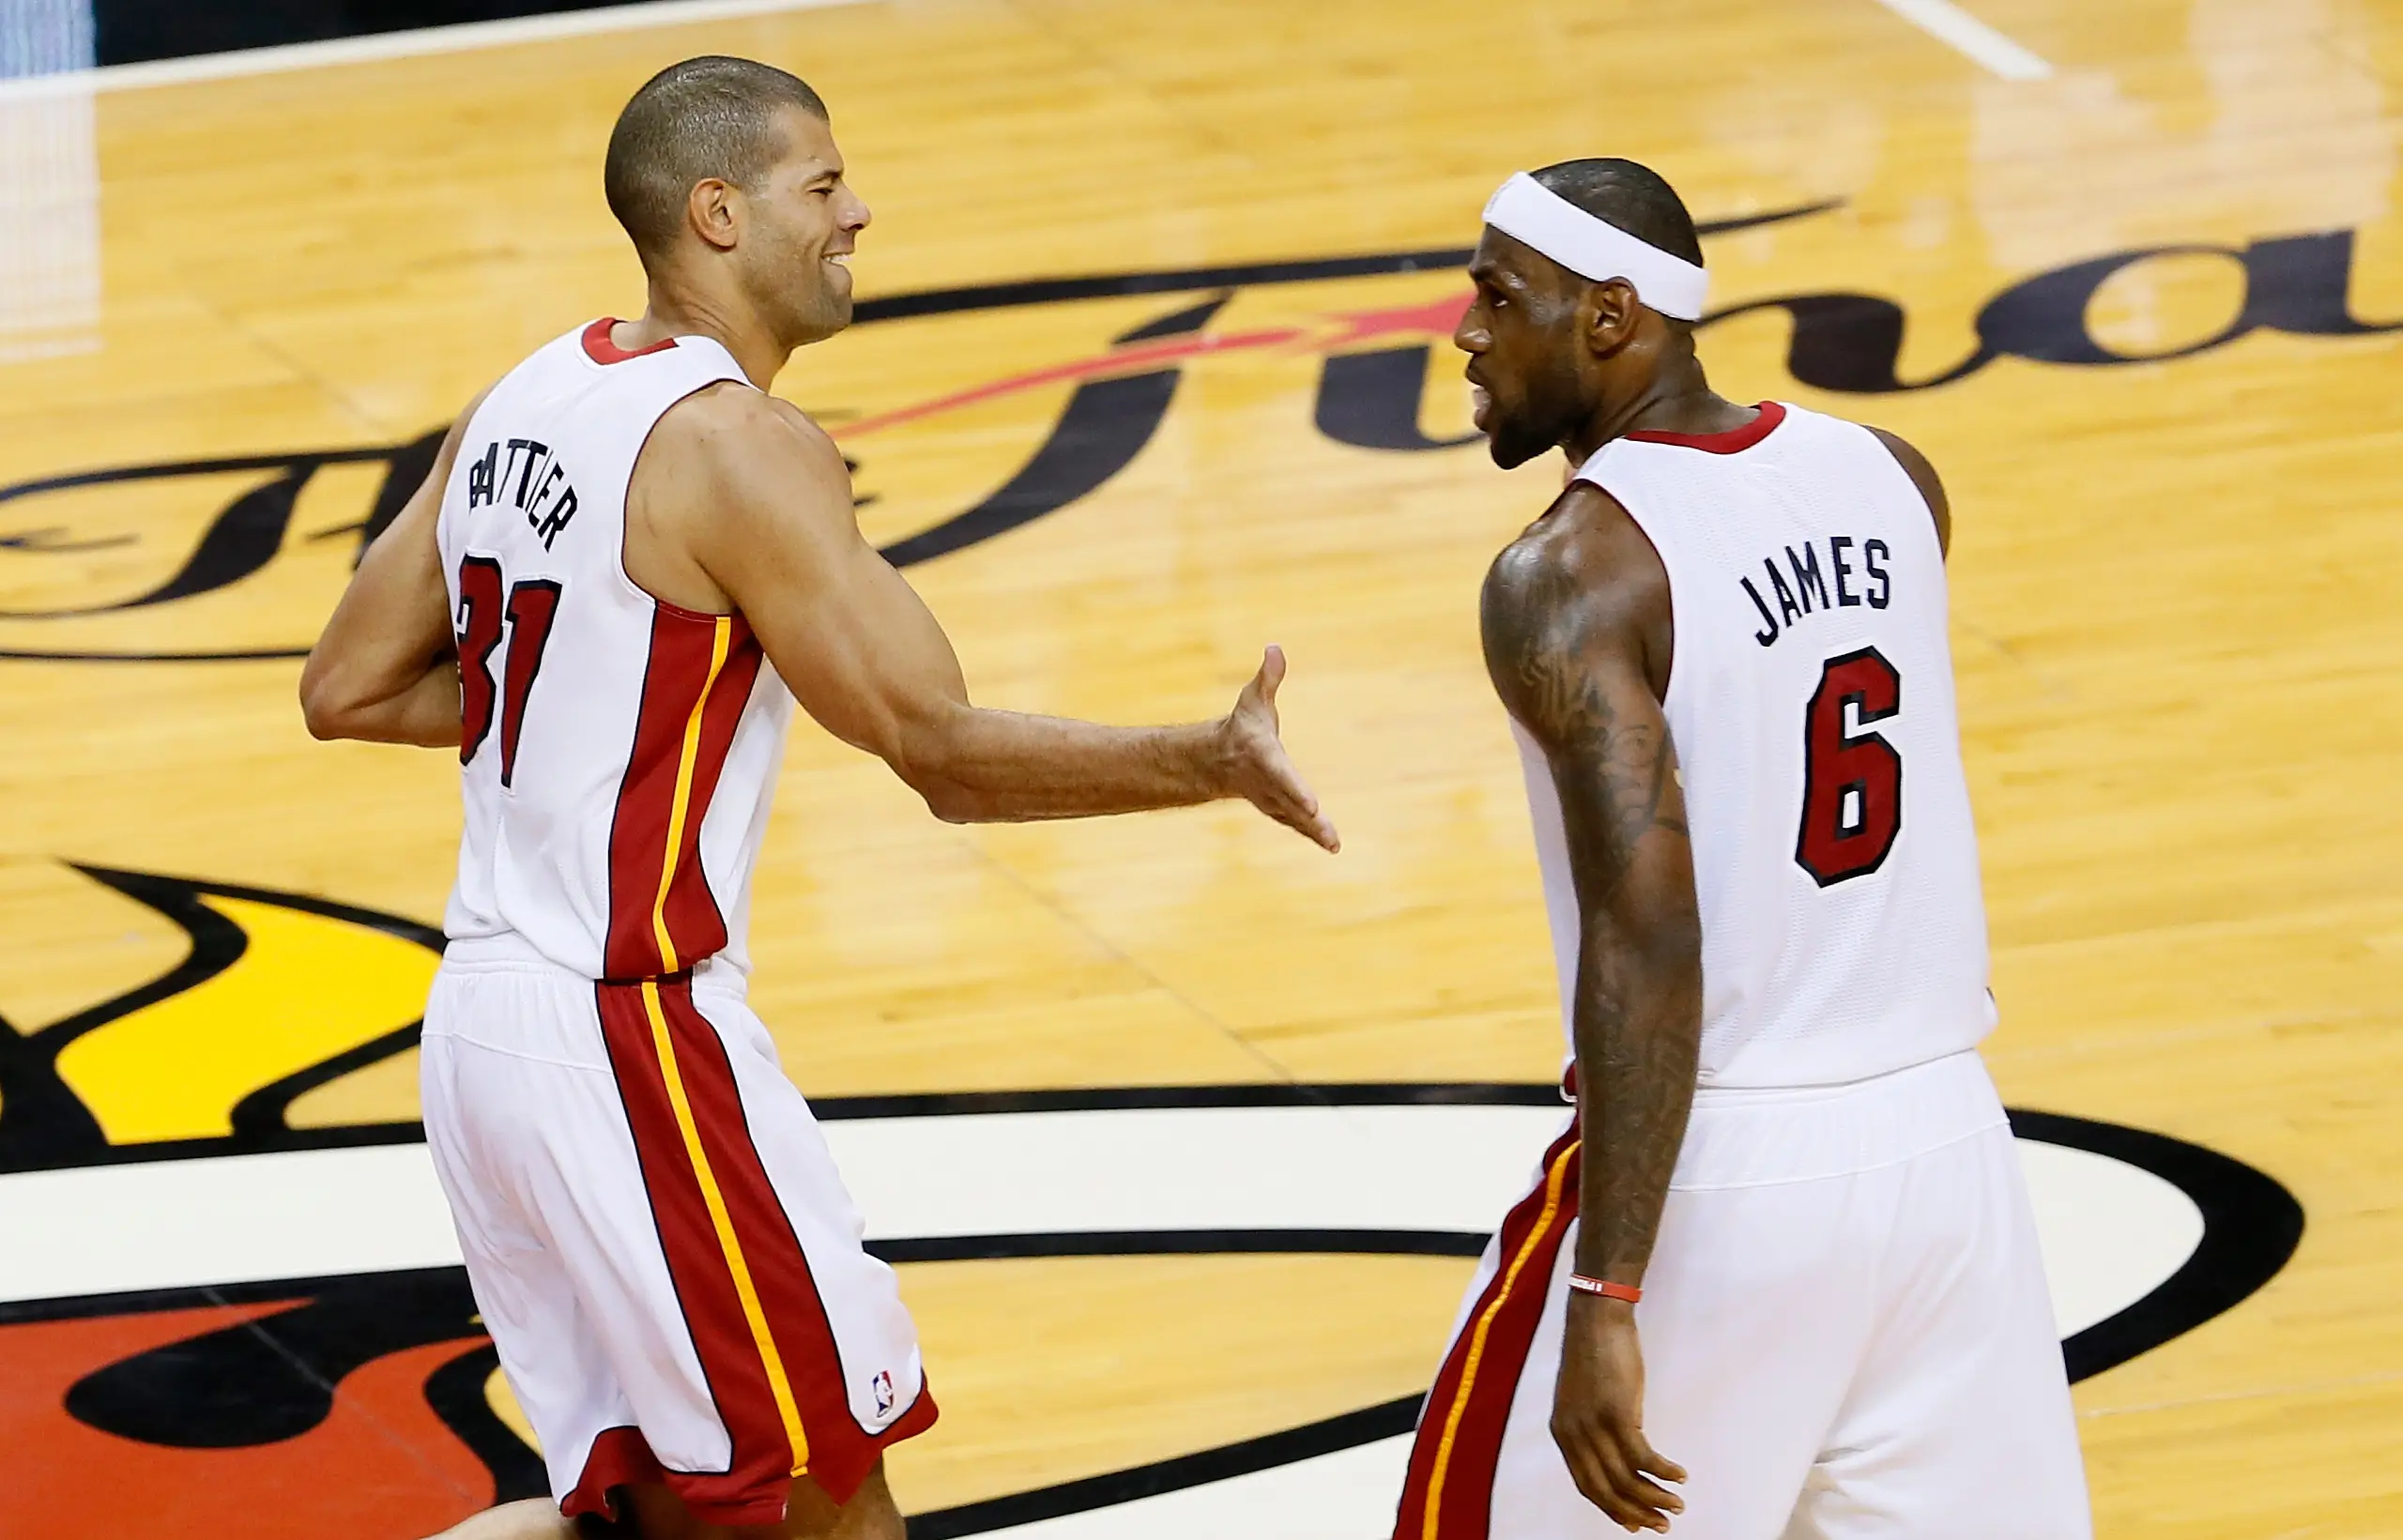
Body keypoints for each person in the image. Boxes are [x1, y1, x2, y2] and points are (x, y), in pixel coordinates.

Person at [299, 54, 1338, 1540]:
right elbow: (938, 746)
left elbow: (348, 686)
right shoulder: (741, 448)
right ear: (717, 214)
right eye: (826, 186)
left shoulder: (522, 395)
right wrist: (1212, 759)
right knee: (829, 1499)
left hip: (481, 1035)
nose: (862, 214)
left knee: (645, 1512)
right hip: (631, 1035)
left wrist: (608, 678)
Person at [1390, 160, 2090, 1540]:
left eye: (1496, 297)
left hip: (1730, 1167)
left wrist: (1610, 1292)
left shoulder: (1575, 573)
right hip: (1946, 1147)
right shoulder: (1892, 478)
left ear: (1610, 316)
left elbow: (1651, 937)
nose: (1465, 334)